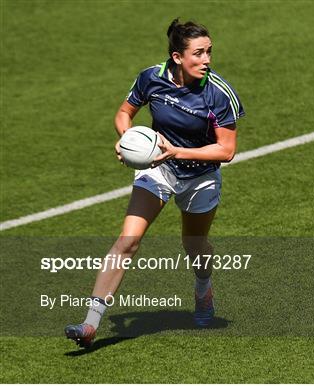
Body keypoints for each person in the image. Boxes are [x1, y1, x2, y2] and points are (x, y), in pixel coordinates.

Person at [64, 18, 245, 348]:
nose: (206, 60)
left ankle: (203, 289)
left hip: (200, 178)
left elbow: (227, 149)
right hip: (158, 170)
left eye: (209, 53)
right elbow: (124, 113)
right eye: (198, 53)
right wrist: (125, 140)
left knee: (194, 246)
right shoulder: (152, 77)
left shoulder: (218, 94)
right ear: (177, 57)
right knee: (128, 241)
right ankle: (90, 323)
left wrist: (178, 150)